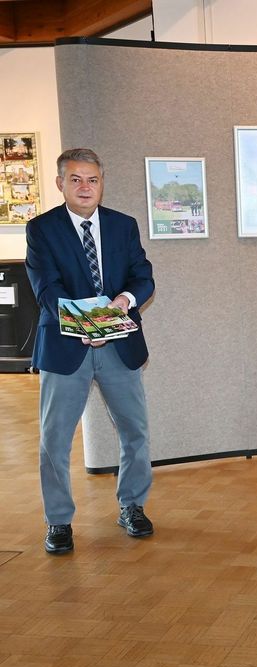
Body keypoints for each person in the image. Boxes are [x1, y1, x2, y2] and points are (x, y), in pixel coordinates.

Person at [25, 148, 157, 554]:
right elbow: (46, 287)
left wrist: (124, 300)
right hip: (67, 346)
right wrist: (85, 324)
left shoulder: (123, 226)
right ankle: (59, 521)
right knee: (55, 439)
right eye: (76, 179)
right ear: (60, 183)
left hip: (119, 345)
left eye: (93, 180)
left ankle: (132, 505)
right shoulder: (41, 229)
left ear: (102, 182)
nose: (85, 187)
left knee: (135, 431)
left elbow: (143, 275)